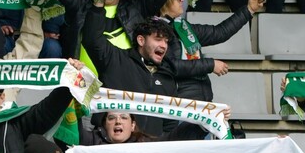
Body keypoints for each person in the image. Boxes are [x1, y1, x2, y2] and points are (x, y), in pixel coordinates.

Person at [81, 12, 219, 139]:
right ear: (141, 40)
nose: (164, 45)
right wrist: (98, 6)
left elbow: (169, 126)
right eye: (158, 39)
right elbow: (92, 39)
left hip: (149, 150)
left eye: (166, 41)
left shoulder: (167, 78)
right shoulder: (115, 59)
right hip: (109, 145)